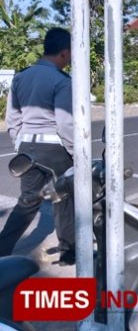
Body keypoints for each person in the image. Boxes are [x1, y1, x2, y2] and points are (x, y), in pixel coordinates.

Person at [1, 27, 75, 265]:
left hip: (28, 151)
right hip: (56, 151)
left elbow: (12, 119)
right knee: (62, 200)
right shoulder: (62, 81)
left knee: (28, 201)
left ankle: (2, 250)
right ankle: (68, 253)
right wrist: (76, 152)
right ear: (64, 53)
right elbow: (64, 123)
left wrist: (21, 145)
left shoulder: (21, 77)